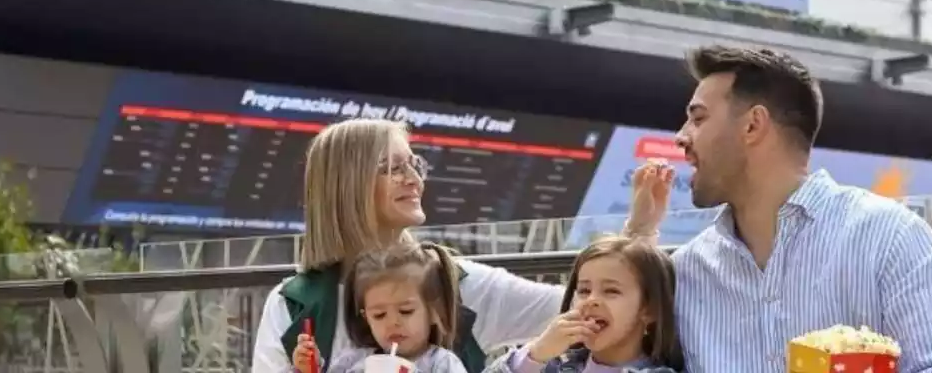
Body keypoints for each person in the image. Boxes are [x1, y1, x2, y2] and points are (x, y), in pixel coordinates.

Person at [628, 45, 932, 373]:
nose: (681, 136)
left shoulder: (891, 236)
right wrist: (637, 237)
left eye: (698, 118)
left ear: (753, 125)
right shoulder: (686, 272)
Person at [251, 119, 665, 373]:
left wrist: (640, 233)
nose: (414, 179)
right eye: (393, 168)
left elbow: (586, 310)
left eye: (414, 164)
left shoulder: (460, 282)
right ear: (346, 186)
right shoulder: (292, 305)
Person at [482, 236, 683, 373]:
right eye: (584, 291)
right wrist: (535, 355)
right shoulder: (552, 365)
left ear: (649, 309)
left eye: (611, 291)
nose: (591, 300)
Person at [292, 241, 467, 372]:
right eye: (379, 315)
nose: (393, 322)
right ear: (365, 317)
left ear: (433, 311)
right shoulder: (352, 362)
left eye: (406, 311)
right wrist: (309, 369)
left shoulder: (443, 365)